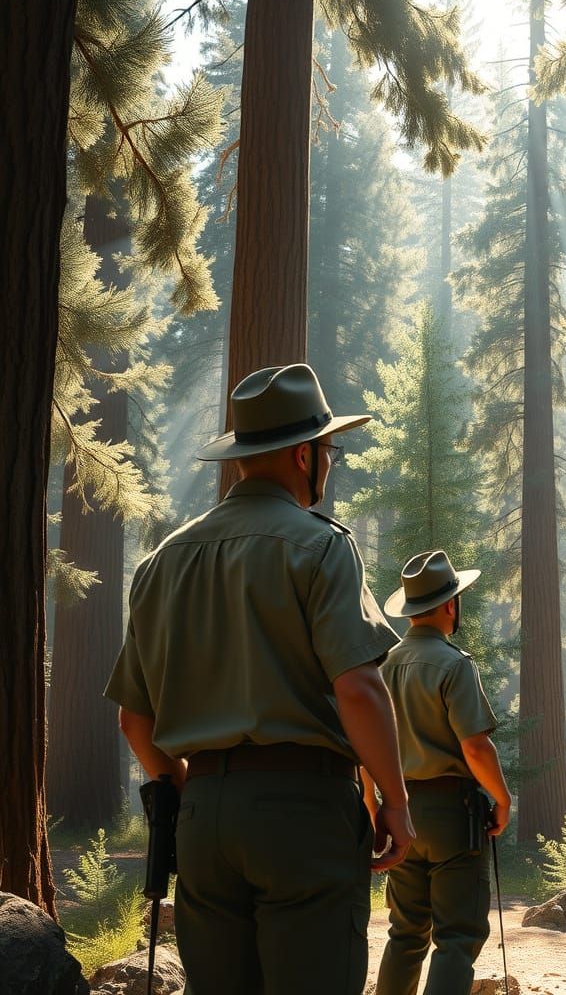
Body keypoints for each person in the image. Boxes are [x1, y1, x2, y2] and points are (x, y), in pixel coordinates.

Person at [104, 363, 414, 995]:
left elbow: (134, 720)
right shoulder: (322, 546)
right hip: (304, 814)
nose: (331, 462)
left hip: (202, 820)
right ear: (304, 455)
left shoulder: (163, 562)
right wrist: (395, 803)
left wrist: (194, 788)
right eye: (331, 450)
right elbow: (358, 688)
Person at [368, 550, 512, 995]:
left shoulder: (381, 666)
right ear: (451, 605)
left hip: (400, 809)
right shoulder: (454, 664)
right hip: (452, 813)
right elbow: (475, 745)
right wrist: (503, 801)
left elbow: (364, 748)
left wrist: (374, 805)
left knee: (406, 931)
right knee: (457, 935)